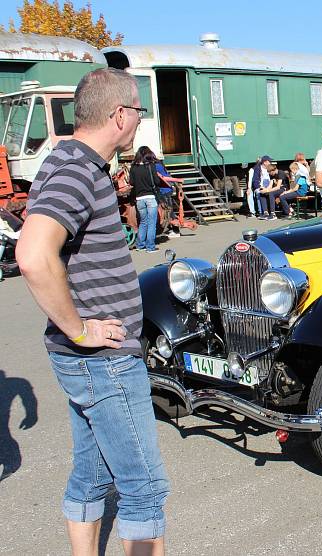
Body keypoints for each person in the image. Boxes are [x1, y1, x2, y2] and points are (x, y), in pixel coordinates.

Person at [16, 67, 169, 555]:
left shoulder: (68, 161)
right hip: (103, 362)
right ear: (120, 115)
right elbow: (33, 253)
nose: (140, 122)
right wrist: (79, 329)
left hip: (86, 361)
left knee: (92, 474)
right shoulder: (79, 172)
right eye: (139, 112)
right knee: (143, 489)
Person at [129, 146, 162, 252]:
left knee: (143, 222)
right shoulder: (150, 166)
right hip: (150, 198)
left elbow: (132, 183)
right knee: (152, 223)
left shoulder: (133, 167)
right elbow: (157, 182)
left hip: (139, 199)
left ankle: (140, 245)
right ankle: (150, 247)